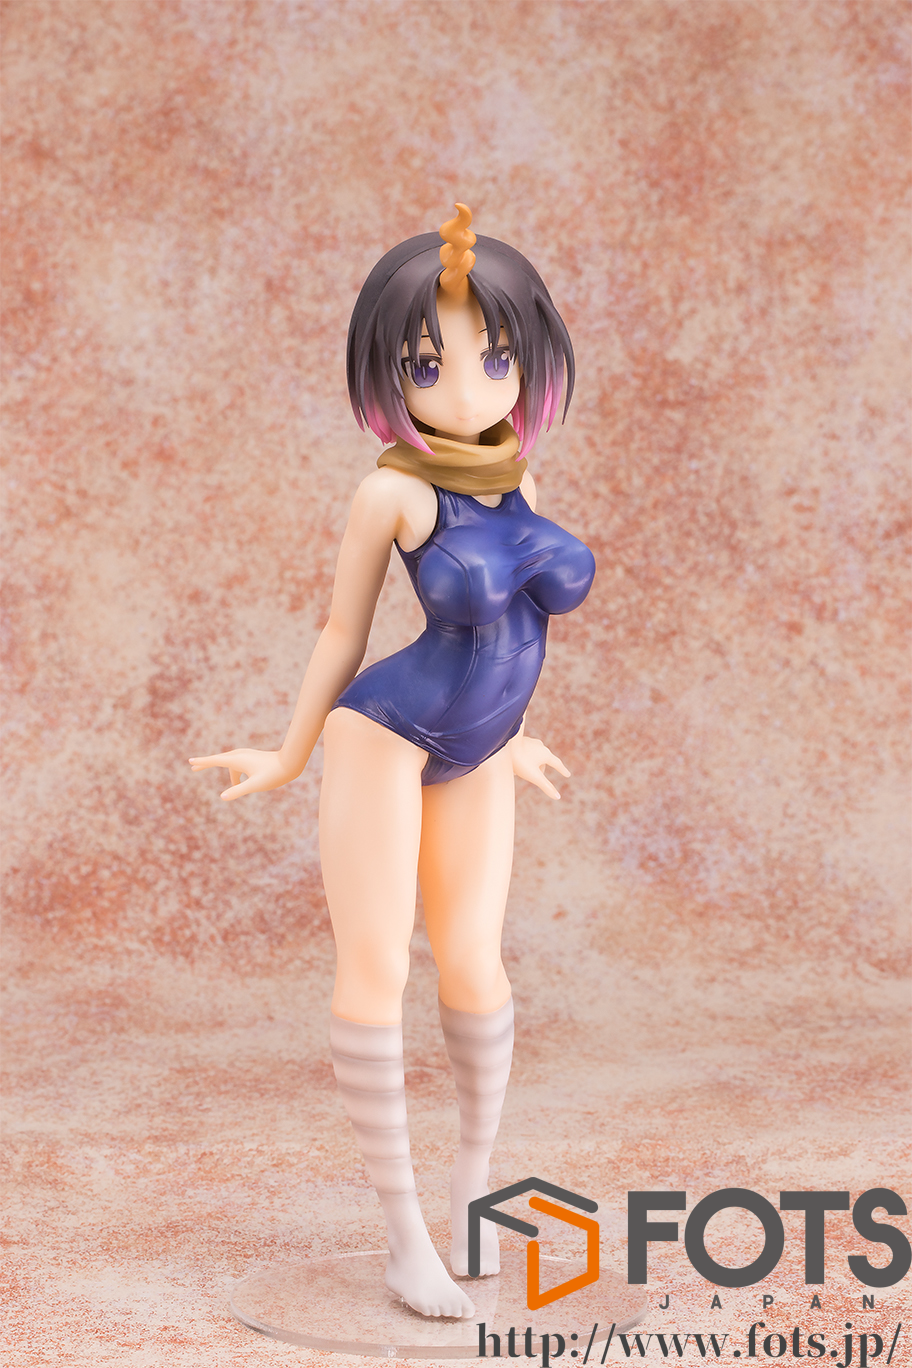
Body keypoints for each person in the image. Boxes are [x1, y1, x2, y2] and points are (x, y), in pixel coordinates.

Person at [190, 206, 595, 1319]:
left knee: (476, 968)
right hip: (386, 735)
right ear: (389, 374)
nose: (466, 389)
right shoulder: (394, 492)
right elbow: (344, 631)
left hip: (483, 747)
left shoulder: (516, 483)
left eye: (495, 358)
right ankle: (405, 1239)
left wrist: (516, 729)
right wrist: (291, 751)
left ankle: (473, 1193)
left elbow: (520, 625)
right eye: (428, 365)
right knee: (377, 972)